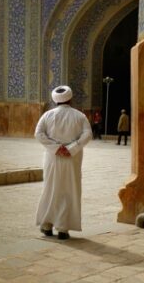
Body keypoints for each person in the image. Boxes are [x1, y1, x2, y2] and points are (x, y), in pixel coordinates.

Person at [35, 85, 92, 240]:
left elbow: (38, 133)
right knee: (68, 190)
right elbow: (88, 134)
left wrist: (56, 148)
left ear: (55, 100)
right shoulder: (80, 116)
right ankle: (63, 228)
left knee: (51, 189)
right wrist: (72, 148)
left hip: (52, 159)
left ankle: (46, 225)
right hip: (72, 159)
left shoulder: (47, 115)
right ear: (71, 98)